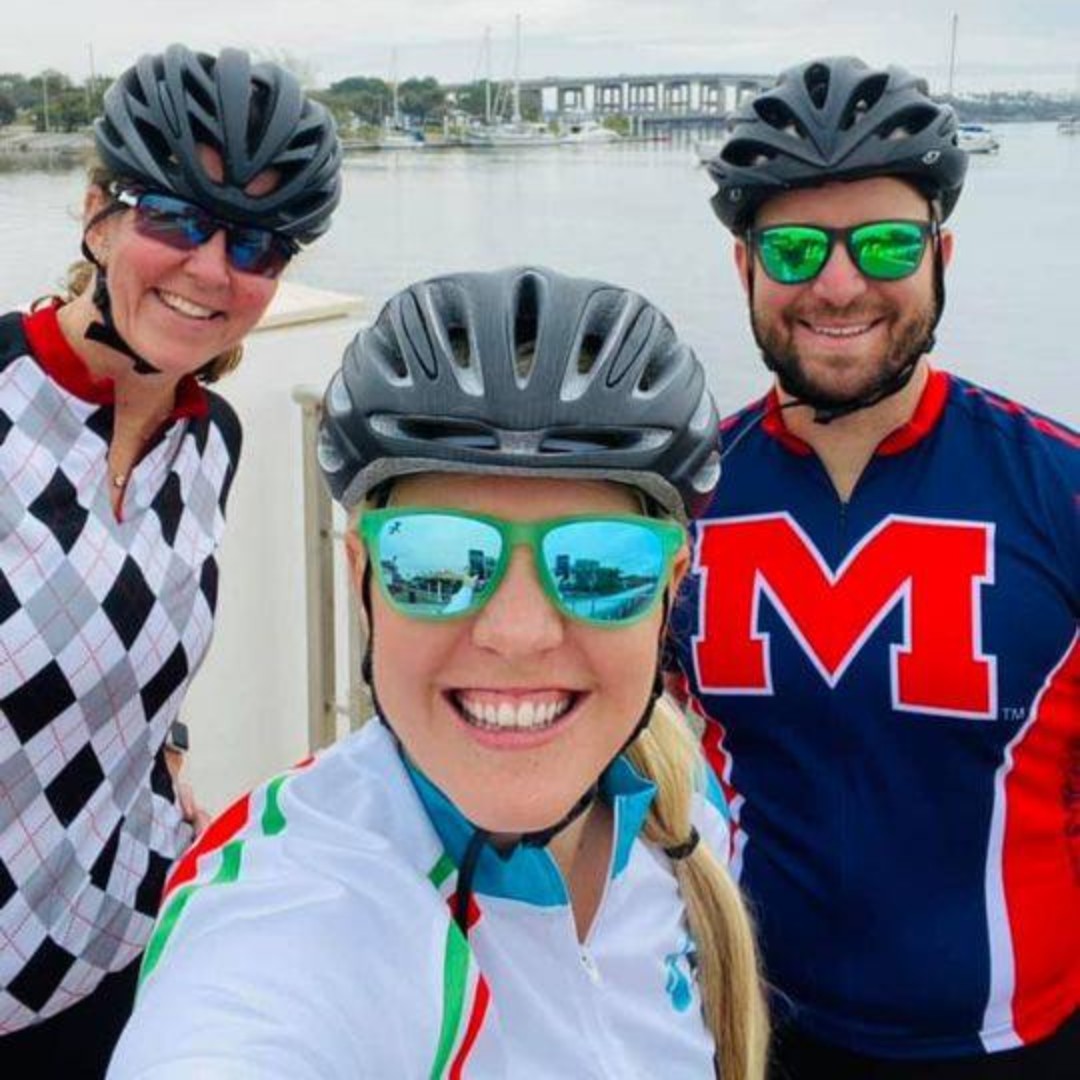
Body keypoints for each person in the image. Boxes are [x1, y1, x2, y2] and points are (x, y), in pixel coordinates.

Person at [107, 266, 770, 1079]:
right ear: (363, 582)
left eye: (600, 564)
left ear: (668, 593)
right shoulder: (303, 906)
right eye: (439, 561)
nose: (518, 633)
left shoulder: (685, 807)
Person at [666, 55, 1079, 1078]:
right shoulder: (679, 507)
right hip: (747, 1037)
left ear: (940, 255)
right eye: (795, 248)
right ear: (744, 269)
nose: (839, 285)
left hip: (1022, 1046)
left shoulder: (1060, 492)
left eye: (886, 242)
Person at [0, 43, 341, 1077]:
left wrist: (167, 738)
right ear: (99, 212)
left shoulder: (212, 442)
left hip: (121, 959)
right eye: (176, 217)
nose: (210, 269)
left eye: (257, 243)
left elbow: (144, 622)